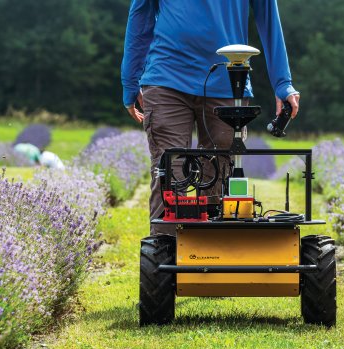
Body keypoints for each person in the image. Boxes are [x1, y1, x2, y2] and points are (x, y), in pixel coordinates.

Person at [122, 0, 300, 235]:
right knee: (170, 172)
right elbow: (141, 16)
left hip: (228, 80)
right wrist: (130, 79)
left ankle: (211, 257)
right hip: (166, 77)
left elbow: (269, 21)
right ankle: (165, 258)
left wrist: (282, 83)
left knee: (219, 174)